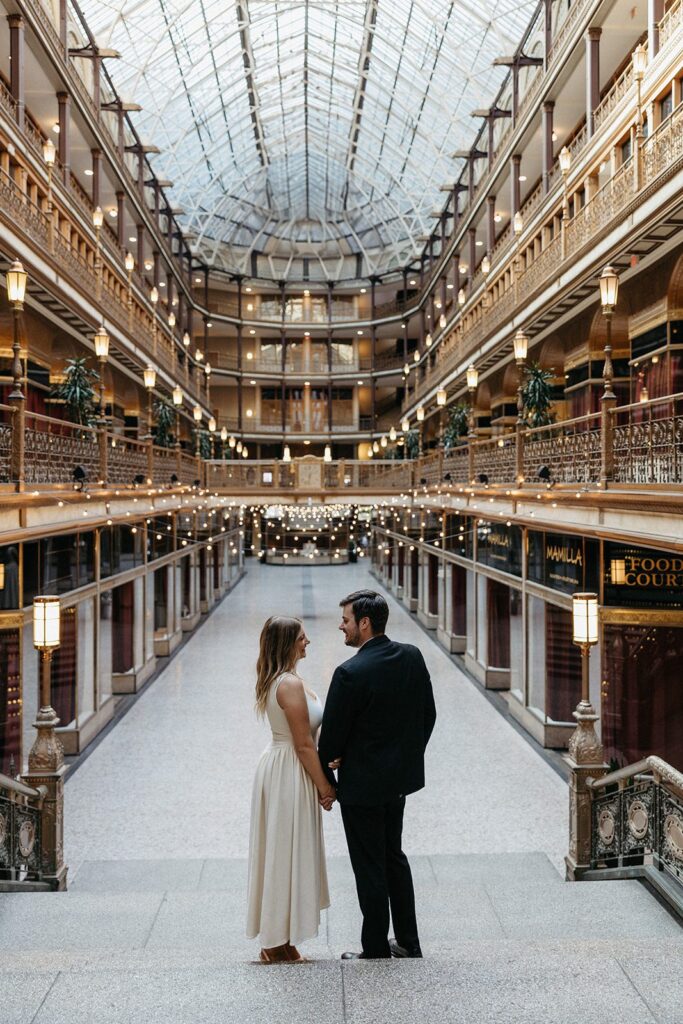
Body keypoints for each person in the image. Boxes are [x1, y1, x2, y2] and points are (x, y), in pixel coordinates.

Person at [318, 590, 436, 960]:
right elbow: (428, 715)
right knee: (394, 858)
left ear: (364, 623)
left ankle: (374, 948)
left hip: (361, 788)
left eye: (346, 620)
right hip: (397, 784)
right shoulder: (411, 656)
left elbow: (330, 741)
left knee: (369, 866)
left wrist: (335, 771)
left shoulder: (349, 673)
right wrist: (403, 757)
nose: (342, 626)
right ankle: (408, 940)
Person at [246, 615, 336, 964]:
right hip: (289, 770)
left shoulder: (286, 680)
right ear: (287, 643)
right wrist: (325, 787)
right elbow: (303, 745)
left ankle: (279, 938)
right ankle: (273, 940)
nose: (308, 641)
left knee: (282, 849)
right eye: (301, 637)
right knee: (283, 850)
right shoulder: (289, 685)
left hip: (285, 768)